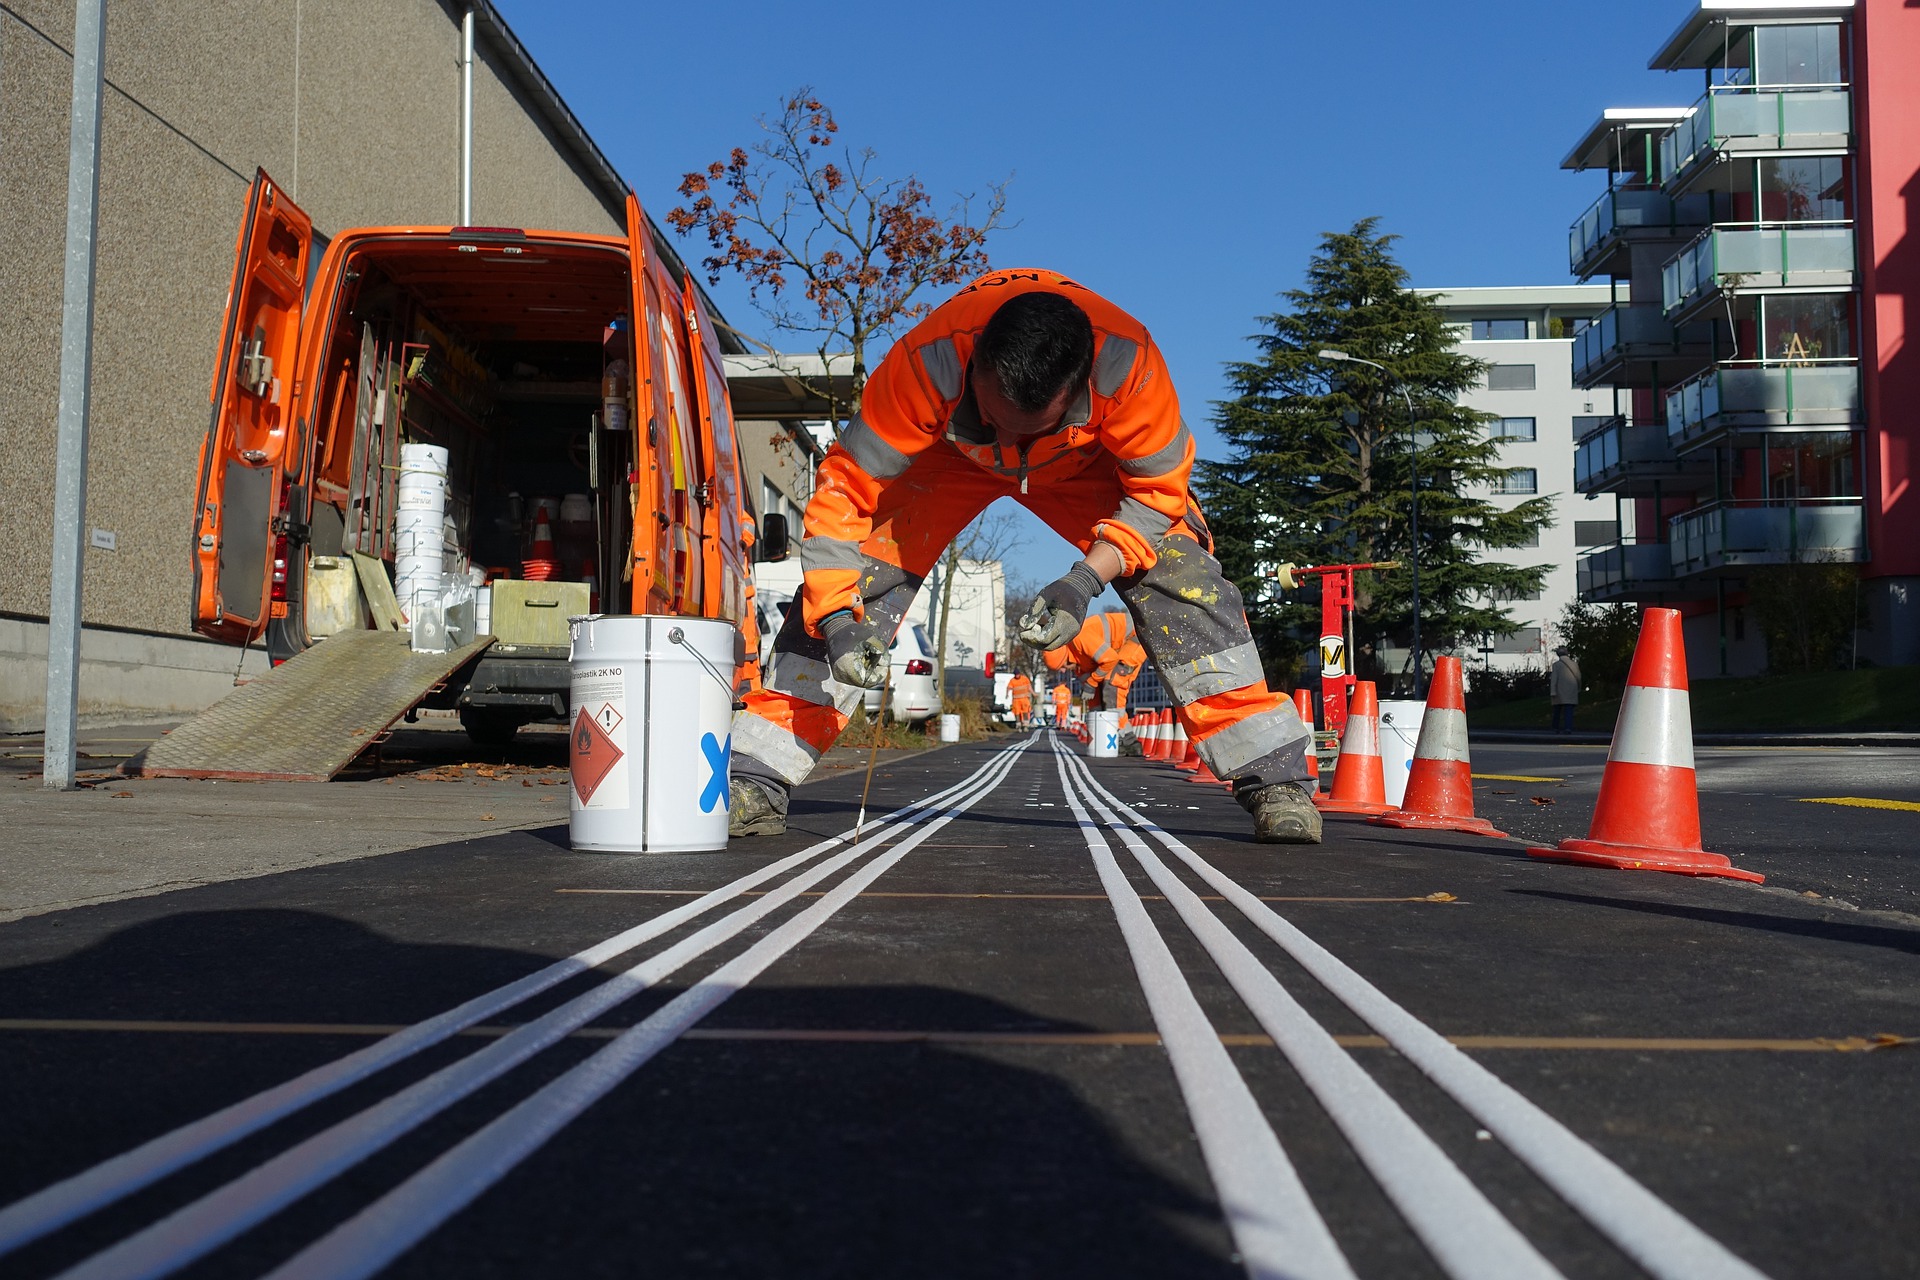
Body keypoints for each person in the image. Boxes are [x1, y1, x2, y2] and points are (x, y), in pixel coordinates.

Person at [727, 268, 1320, 843]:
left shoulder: (1131, 366)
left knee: (1184, 578)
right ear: (974, 361)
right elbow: (846, 493)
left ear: (1081, 388)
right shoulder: (925, 363)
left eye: (1029, 428)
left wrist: (1084, 581)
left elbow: (1156, 498)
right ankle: (758, 775)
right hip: (947, 460)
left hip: (1085, 465)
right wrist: (835, 620)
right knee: (859, 570)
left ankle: (1275, 779)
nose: (1011, 445)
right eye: (992, 420)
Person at [1550, 645, 1581, 734]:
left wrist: (1553, 691)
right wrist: (1578, 687)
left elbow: (1554, 679)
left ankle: (1555, 728)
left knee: (1557, 711)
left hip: (1559, 691)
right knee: (1569, 710)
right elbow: (1578, 677)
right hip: (1571, 689)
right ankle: (1568, 728)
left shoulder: (1556, 665)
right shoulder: (1574, 664)